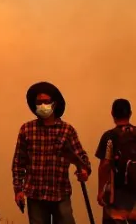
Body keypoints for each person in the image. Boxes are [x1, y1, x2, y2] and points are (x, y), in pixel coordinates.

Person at [11, 82, 92, 224]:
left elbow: (82, 158)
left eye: (46, 102)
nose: (43, 105)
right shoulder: (27, 130)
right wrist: (18, 190)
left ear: (54, 104)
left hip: (60, 194)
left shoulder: (67, 130)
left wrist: (84, 170)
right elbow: (18, 162)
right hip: (35, 195)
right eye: (39, 102)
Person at [95, 99, 136, 224]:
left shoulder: (109, 136)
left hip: (115, 194)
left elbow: (105, 165)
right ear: (130, 113)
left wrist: (100, 191)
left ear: (112, 113)